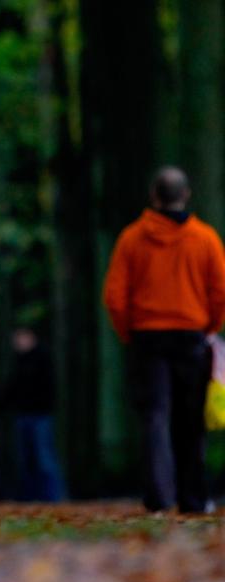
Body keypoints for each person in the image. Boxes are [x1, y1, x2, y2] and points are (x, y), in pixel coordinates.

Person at [103, 166, 225, 514]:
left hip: (147, 338)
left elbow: (114, 295)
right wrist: (209, 326)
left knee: (155, 417)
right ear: (186, 195)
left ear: (153, 197)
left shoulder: (131, 239)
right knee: (191, 419)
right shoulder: (205, 239)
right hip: (191, 337)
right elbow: (220, 291)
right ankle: (193, 498)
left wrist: (129, 331)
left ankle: (159, 496)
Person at [5, 327, 63, 501]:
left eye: (21, 338)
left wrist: (46, 406)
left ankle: (53, 497)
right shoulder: (18, 362)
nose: (18, 342)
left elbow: (50, 387)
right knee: (27, 460)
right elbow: (11, 389)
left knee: (44, 458)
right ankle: (30, 497)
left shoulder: (42, 359)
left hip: (40, 415)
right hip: (23, 415)